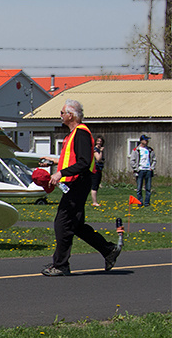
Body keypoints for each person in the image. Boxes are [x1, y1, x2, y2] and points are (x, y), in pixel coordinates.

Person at [41, 100, 121, 276]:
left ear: (71, 115)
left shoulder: (81, 133)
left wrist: (60, 173)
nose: (60, 116)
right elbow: (72, 159)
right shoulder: (73, 134)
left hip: (79, 183)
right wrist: (52, 162)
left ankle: (61, 265)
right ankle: (109, 250)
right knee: (76, 225)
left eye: (62, 113)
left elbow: (84, 162)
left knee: (62, 223)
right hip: (74, 183)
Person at [129, 134, 155, 207]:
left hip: (148, 170)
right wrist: (136, 169)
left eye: (147, 140)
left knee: (148, 188)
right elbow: (132, 161)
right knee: (139, 188)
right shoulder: (136, 150)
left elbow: (154, 160)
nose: (147, 141)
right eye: (145, 140)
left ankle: (147, 203)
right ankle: (140, 202)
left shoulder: (150, 150)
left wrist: (151, 168)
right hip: (140, 170)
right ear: (141, 141)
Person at [90, 135, 105, 206]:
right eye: (98, 141)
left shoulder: (98, 149)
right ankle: (94, 202)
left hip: (99, 170)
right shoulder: (95, 149)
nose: (99, 143)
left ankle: (95, 201)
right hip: (95, 170)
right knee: (94, 186)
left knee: (96, 185)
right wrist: (101, 152)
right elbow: (98, 159)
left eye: (101, 141)